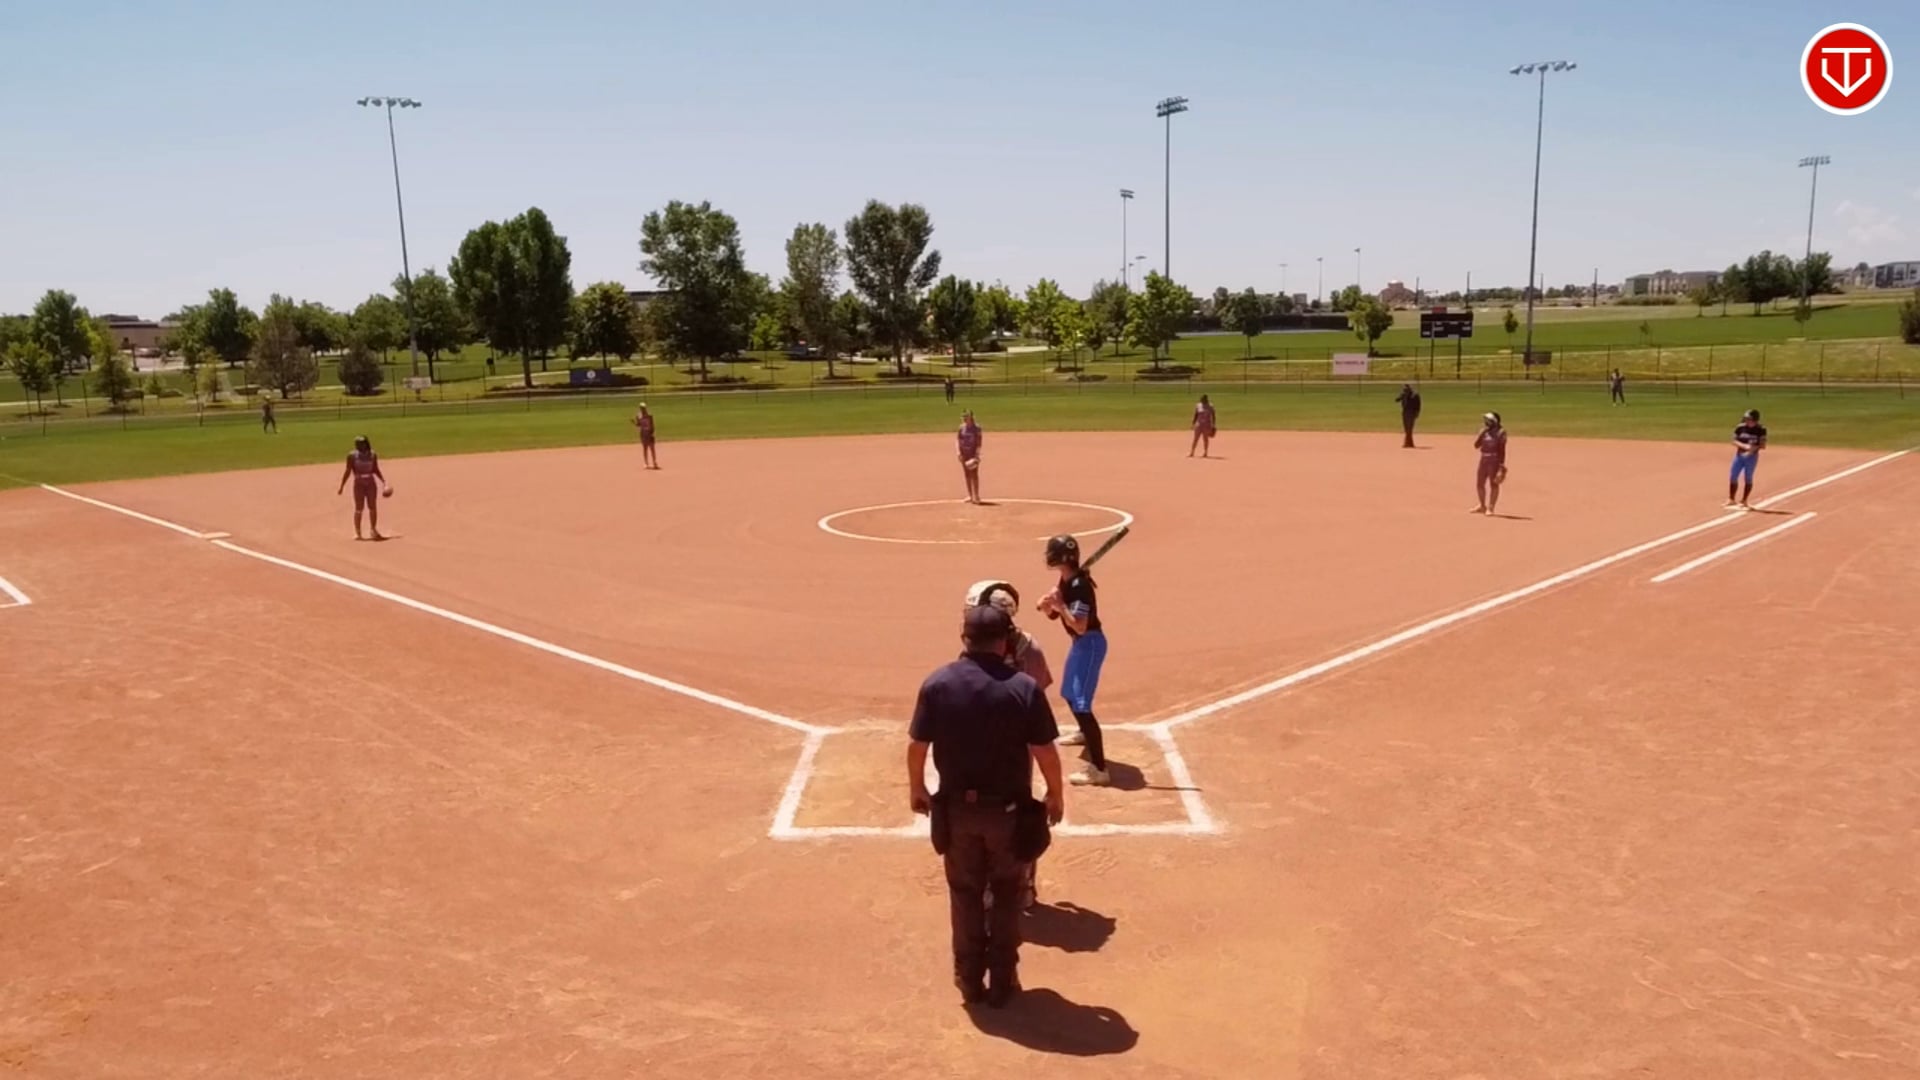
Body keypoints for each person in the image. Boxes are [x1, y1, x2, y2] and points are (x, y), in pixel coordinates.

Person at [908, 603, 1066, 1008]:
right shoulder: (1023, 688)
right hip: (1008, 815)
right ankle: (1001, 979)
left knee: (965, 894)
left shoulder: (938, 683)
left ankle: (968, 978)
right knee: (1007, 894)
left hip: (957, 813)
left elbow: (918, 746)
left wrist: (917, 789)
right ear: (1006, 641)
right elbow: (1045, 751)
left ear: (965, 638)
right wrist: (1055, 793)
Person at [965, 580, 1054, 913]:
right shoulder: (1030, 647)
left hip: (986, 745)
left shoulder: (978, 647)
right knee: (1018, 814)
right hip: (1019, 747)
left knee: (982, 814)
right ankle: (1023, 885)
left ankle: (999, 885)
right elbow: (1038, 694)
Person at [1036, 534, 1109, 786]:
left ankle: (1099, 769)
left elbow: (1079, 625)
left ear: (1061, 557)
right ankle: (1083, 733)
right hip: (1080, 644)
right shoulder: (1067, 579)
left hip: (1090, 644)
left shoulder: (1079, 586)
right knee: (1068, 692)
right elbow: (1055, 616)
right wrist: (1048, 605)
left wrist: (1059, 605)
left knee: (1081, 704)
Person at [336, 435, 390, 540]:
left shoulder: (372, 455)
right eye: (357, 443)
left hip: (370, 483)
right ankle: (358, 532)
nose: (359, 445)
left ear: (366, 444)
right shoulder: (352, 456)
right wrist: (342, 485)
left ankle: (373, 530)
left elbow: (375, 469)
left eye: (361, 443)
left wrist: (383, 481)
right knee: (359, 508)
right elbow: (348, 471)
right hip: (359, 483)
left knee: (372, 507)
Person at [1727, 408, 1767, 509]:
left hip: (1751, 457)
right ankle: (1731, 499)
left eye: (1749, 419)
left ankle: (1744, 500)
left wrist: (1752, 450)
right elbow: (1734, 441)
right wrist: (1744, 446)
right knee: (1733, 476)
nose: (1747, 420)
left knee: (1748, 477)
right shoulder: (1740, 427)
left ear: (1755, 420)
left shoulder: (1761, 429)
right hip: (1739, 455)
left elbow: (1762, 445)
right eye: (1746, 418)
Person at [1471, 412, 1508, 516]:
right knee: (1480, 483)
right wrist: (1481, 434)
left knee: (1493, 484)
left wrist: (1501, 465)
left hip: (1494, 460)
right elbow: (1476, 445)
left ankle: (1491, 507)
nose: (1486, 422)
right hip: (1483, 459)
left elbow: (1502, 450)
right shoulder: (1484, 431)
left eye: (1488, 421)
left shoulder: (1501, 433)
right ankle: (1482, 505)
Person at [957, 410, 983, 505]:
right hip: (964, 454)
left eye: (966, 417)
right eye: (963, 417)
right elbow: (958, 440)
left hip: (972, 454)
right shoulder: (961, 428)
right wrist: (958, 452)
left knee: (974, 474)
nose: (964, 419)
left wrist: (977, 455)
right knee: (967, 474)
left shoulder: (977, 428)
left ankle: (976, 496)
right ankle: (970, 495)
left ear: (971, 417)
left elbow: (979, 442)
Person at [632, 403, 660, 470]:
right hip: (643, 433)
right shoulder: (638, 416)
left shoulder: (649, 415)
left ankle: (654, 462)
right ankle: (646, 463)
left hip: (649, 433)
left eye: (643, 407)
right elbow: (639, 425)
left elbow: (652, 424)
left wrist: (652, 432)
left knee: (652, 448)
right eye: (641, 407)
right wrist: (634, 423)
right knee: (645, 448)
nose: (642, 409)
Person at [1395, 383, 1422, 448]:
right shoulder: (1403, 395)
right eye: (1404, 390)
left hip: (1412, 413)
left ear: (1409, 389)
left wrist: (1417, 413)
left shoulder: (1415, 395)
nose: (1405, 391)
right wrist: (1402, 396)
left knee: (1410, 428)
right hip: (1405, 412)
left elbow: (1418, 405)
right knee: (1406, 428)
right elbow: (1397, 400)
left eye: (1406, 389)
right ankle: (1410, 443)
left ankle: (1407, 443)